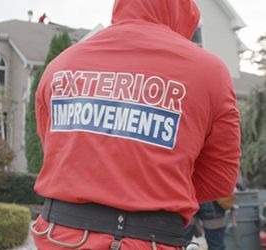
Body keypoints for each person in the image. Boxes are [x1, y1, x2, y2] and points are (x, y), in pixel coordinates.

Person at [31, 0, 241, 249]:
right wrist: (156, 185)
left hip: (60, 237)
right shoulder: (209, 72)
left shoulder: (59, 66)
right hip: (149, 238)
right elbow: (219, 179)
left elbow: (55, 152)